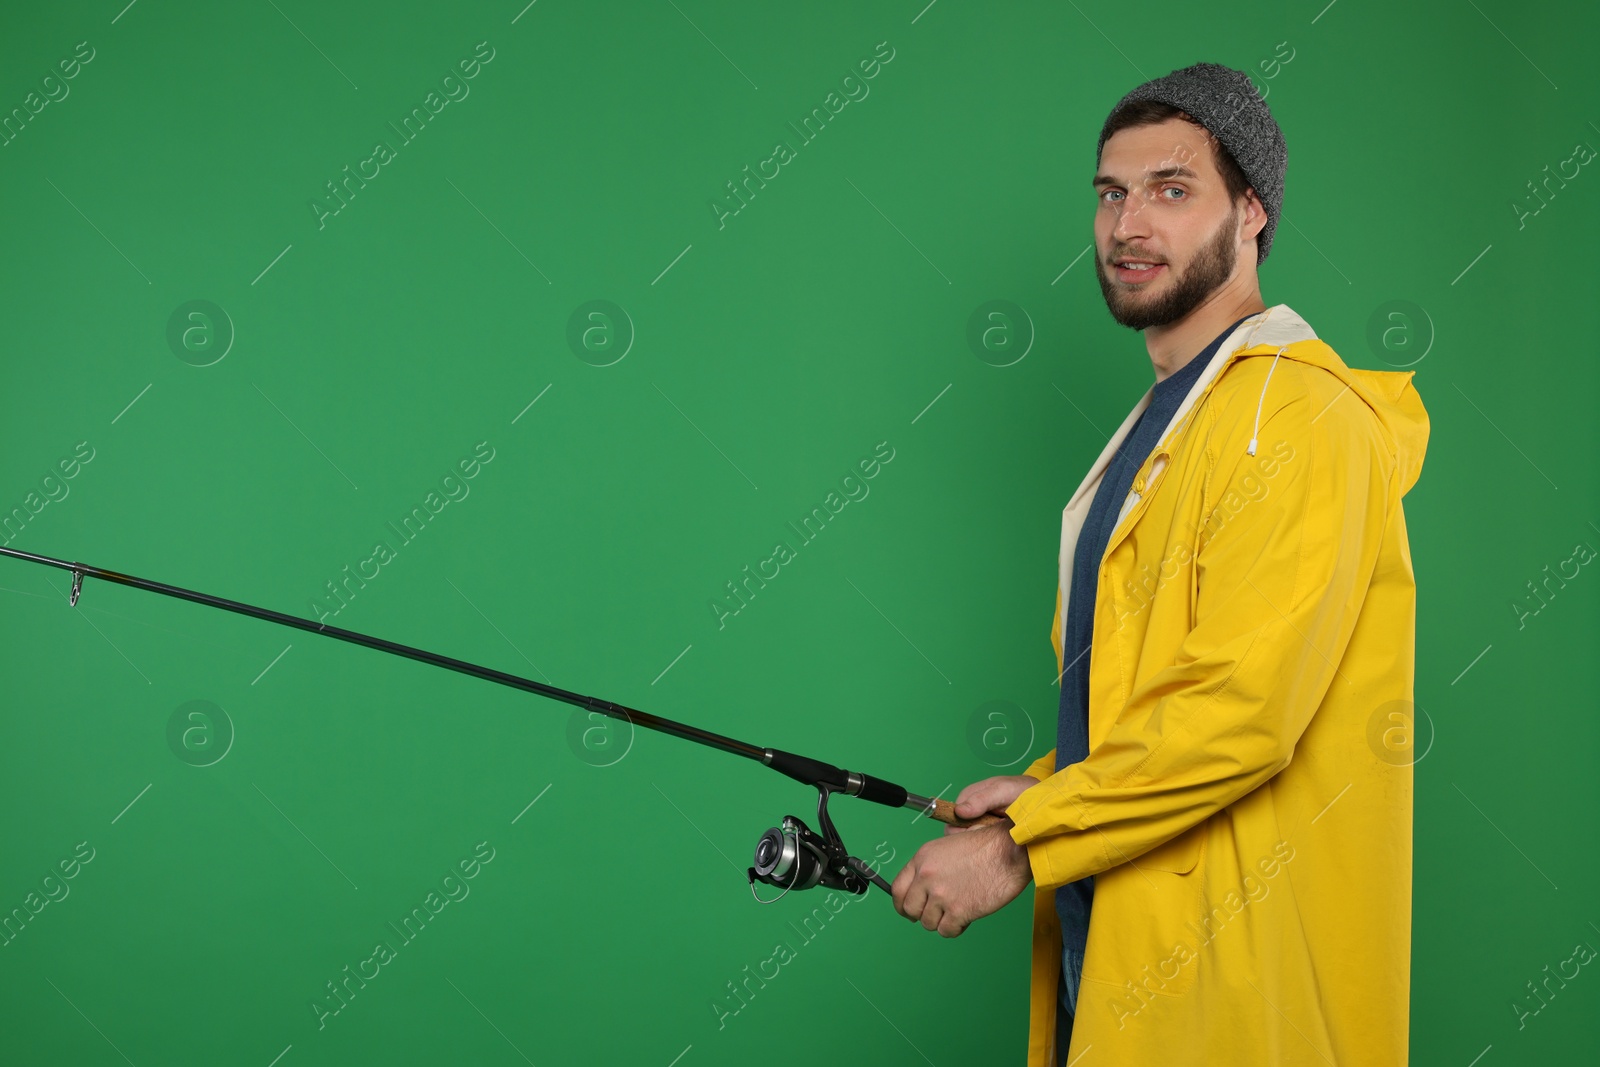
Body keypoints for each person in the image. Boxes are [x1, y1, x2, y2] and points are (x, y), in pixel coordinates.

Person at [890, 62, 1430, 1066]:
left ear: (1252, 214)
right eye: (1110, 193)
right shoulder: (1161, 428)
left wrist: (1020, 841)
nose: (1128, 224)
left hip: (1236, 995)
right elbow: (1155, 696)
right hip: (1118, 964)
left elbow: (1240, 711)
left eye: (1172, 191)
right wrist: (1046, 786)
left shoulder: (1303, 421)